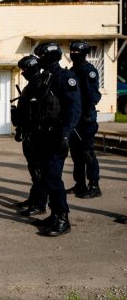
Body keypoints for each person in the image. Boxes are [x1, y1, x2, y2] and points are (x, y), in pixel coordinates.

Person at [31, 42, 81, 236]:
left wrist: (65, 133)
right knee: (46, 177)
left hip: (57, 136)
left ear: (51, 57)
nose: (39, 60)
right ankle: (54, 214)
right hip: (43, 135)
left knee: (53, 177)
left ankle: (63, 218)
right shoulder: (45, 78)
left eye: (41, 56)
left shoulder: (64, 78)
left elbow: (73, 109)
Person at [11, 55, 47, 217]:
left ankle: (40, 204)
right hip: (28, 132)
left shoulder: (40, 85)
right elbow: (24, 111)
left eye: (25, 69)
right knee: (33, 169)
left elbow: (36, 112)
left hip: (38, 134)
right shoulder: (31, 85)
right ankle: (34, 199)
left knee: (38, 170)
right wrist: (19, 127)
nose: (23, 72)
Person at [66, 41, 103, 199]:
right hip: (75, 119)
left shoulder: (89, 71)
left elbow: (93, 96)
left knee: (87, 152)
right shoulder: (73, 70)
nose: (73, 54)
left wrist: (85, 112)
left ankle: (94, 185)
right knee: (76, 153)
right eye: (72, 52)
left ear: (84, 53)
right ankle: (79, 183)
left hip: (86, 118)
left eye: (76, 52)